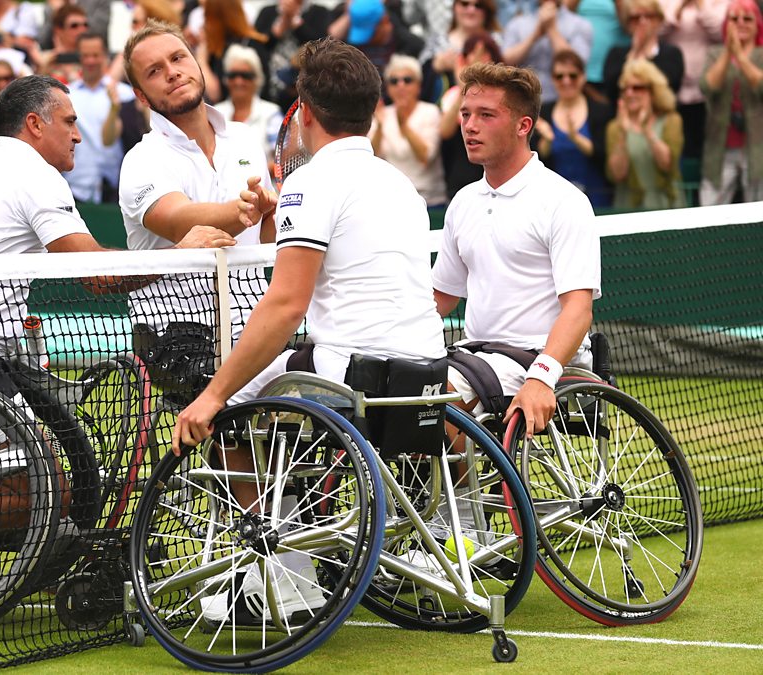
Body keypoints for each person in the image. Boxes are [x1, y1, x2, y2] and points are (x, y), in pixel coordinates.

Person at [0, 75, 233, 609]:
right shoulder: (31, 174)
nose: (79, 136)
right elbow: (96, 277)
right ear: (35, 125)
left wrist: (8, 321)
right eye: (69, 122)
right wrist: (183, 249)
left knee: (49, 481)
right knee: (44, 490)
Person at [174, 37, 447, 622]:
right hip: (428, 373)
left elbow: (285, 305)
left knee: (224, 404)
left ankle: (279, 579)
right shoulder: (400, 183)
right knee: (269, 394)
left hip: (354, 377)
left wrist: (211, 396)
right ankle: (295, 557)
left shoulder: (311, 181)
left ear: (302, 112)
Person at [433, 61, 600, 439]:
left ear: (523, 126)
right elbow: (440, 297)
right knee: (400, 382)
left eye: (486, 115)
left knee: (436, 393)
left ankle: (461, 499)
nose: (470, 126)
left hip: (542, 362)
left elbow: (578, 309)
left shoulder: (564, 201)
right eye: (465, 114)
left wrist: (542, 376)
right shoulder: (462, 203)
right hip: (473, 357)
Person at [119, 19, 277, 404]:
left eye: (178, 58)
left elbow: (263, 243)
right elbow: (176, 221)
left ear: (197, 62)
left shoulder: (243, 138)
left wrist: (270, 213)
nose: (172, 73)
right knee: (245, 409)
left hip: (254, 325)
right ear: (142, 95)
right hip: (176, 339)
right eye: (155, 71)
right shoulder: (142, 159)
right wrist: (243, 209)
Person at [698, 0, 763, 205]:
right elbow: (707, 86)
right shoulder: (715, 53)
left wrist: (741, 58)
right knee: (710, 209)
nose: (741, 23)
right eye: (734, 18)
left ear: (758, 24)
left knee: (757, 210)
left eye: (747, 18)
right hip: (721, 147)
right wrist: (729, 52)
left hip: (757, 147)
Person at [535, 49, 613, 207]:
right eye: (559, 76)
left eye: (573, 76)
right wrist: (548, 140)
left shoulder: (600, 110)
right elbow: (539, 159)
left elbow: (604, 155)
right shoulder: (544, 112)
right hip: (555, 203)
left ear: (583, 77)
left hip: (597, 199)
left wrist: (575, 137)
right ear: (552, 79)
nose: (566, 81)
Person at [64, 32, 135, 204]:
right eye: (85, 55)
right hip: (74, 187)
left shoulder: (124, 94)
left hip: (113, 187)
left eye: (95, 55)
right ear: (79, 57)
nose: (90, 61)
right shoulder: (65, 95)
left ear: (104, 56)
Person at [606, 58, 685, 209]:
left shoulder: (671, 120)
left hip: (667, 206)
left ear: (653, 91)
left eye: (637, 87)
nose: (630, 93)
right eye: (625, 88)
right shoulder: (615, 128)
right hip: (629, 209)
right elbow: (617, 174)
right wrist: (623, 134)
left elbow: (667, 164)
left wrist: (647, 131)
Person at [372, 54, 447, 207]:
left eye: (407, 80)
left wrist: (404, 126)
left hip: (429, 201)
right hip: (392, 201)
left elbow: (426, 157)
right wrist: (379, 127)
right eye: (394, 81)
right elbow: (372, 158)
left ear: (419, 86)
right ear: (388, 88)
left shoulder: (430, 112)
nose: (401, 85)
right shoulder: (382, 114)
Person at [660, 0, 727, 160]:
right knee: (674, 148)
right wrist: (680, 5)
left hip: (707, 90)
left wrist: (701, 5)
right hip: (671, 89)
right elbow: (657, 29)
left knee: (705, 149)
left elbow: (721, 32)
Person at [438, 31, 500, 200]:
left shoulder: (504, 97)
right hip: (460, 181)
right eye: (472, 53)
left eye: (485, 54)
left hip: (497, 178)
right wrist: (464, 87)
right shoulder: (453, 94)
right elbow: (445, 131)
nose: (478, 60)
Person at [502, 0, 593, 102]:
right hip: (523, 99)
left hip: (562, 101)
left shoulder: (580, 24)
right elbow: (505, 61)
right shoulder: (517, 24)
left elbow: (578, 64)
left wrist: (552, 29)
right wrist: (535, 35)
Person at [212, 44, 283, 174]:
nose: (238, 81)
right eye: (233, 75)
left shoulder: (271, 113)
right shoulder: (215, 112)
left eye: (246, 75)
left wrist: (249, 171)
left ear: (257, 79)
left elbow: (284, 160)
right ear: (226, 79)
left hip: (264, 190)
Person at [253, 0, 334, 108]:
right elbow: (256, 46)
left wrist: (295, 21)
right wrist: (281, 24)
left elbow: (321, 45)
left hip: (306, 91)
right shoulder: (267, 12)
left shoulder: (319, 12)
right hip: (270, 89)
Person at [602, 0, 685, 103]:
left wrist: (645, 52)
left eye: (649, 16)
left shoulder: (672, 54)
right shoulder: (616, 54)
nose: (642, 22)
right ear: (627, 23)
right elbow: (612, 90)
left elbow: (670, 87)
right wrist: (635, 52)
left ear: (659, 20)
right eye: (635, 18)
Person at [422, 0, 502, 101]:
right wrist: (434, 66)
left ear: (487, 11)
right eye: (464, 4)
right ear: (454, 7)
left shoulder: (497, 40)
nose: (471, 10)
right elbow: (419, 78)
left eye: (478, 6)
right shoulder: (438, 40)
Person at [197, 0, 268, 103]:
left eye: (207, 16)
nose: (204, 23)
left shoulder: (249, 46)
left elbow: (216, 95)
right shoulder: (217, 46)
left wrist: (202, 60)